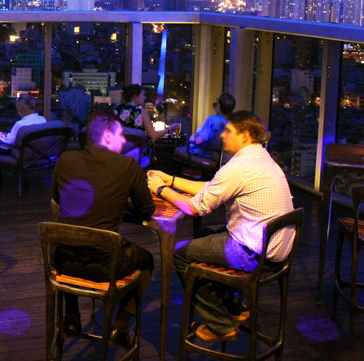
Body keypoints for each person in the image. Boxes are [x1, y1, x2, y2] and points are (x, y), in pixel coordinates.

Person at [147, 111, 295, 343]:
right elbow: (213, 187)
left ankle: (220, 324)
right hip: (275, 250)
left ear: (245, 135)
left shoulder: (240, 166)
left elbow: (193, 208)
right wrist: (171, 180)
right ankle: (235, 305)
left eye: (228, 131)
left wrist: (159, 189)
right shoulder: (261, 158)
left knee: (179, 254)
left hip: (253, 255)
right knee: (203, 234)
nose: (223, 136)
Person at [51, 111, 155, 347]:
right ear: (107, 136)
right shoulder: (127, 165)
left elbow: (57, 197)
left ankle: (71, 318)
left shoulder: (65, 160)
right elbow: (146, 210)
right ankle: (120, 325)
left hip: (61, 261)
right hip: (104, 266)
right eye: (120, 134)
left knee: (71, 238)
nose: (124, 140)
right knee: (147, 260)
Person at [174, 92, 236, 167]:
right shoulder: (234, 122)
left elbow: (198, 141)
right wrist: (219, 111)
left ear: (219, 106)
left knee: (178, 150)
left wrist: (196, 135)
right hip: (221, 159)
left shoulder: (212, 119)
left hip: (208, 155)